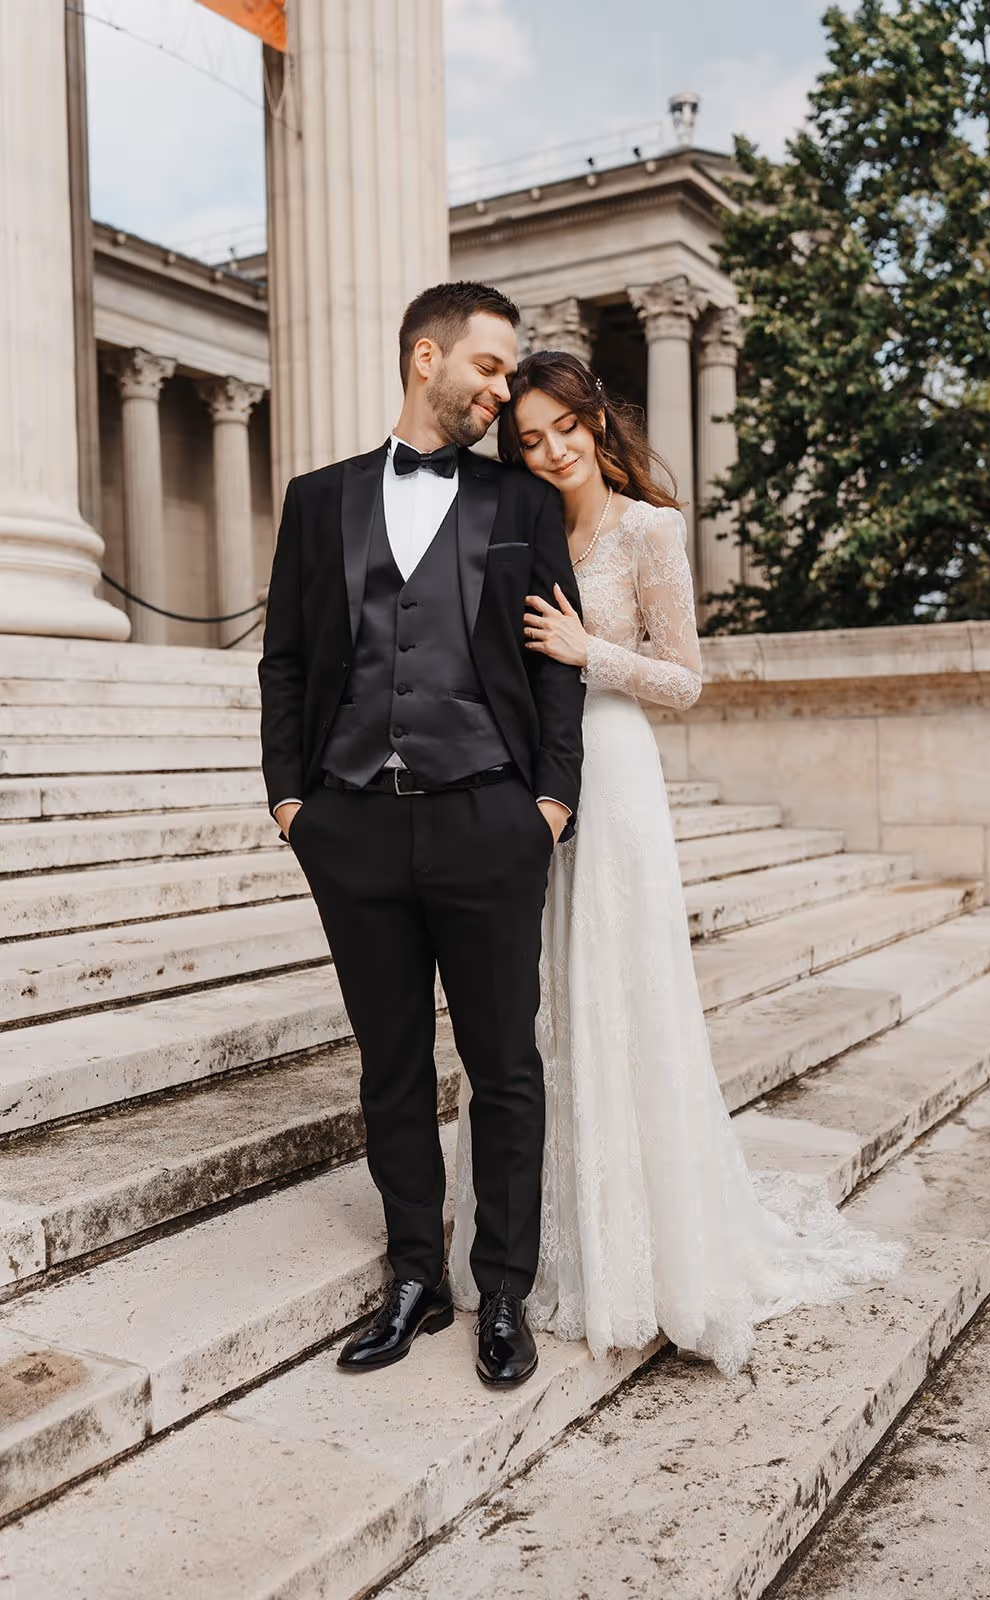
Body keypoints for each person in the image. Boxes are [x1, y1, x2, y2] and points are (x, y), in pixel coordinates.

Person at [449, 350, 904, 1373]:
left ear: (595, 419)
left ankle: (641, 1245)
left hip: (615, 774)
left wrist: (588, 653)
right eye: (530, 439)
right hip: (527, 783)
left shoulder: (647, 529)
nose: (552, 450)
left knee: (622, 991)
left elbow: (687, 679)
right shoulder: (521, 531)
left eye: (564, 426)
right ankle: (539, 1230)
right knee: (539, 999)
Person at [259, 284, 585, 1388]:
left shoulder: (522, 503)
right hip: (349, 823)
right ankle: (414, 1278)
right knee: (389, 1062)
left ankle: (503, 1290)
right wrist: (291, 801)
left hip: (488, 816)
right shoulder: (317, 500)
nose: (502, 390)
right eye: (489, 368)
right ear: (425, 358)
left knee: (504, 1064)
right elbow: (286, 661)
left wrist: (548, 805)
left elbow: (557, 664)